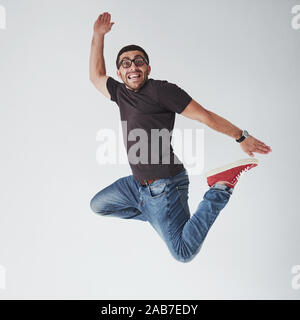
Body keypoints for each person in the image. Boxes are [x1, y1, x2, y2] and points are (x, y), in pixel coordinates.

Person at [89, 12, 272, 263]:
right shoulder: (120, 93)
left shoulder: (161, 91)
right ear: (120, 73)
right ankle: (153, 212)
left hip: (166, 186)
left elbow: (205, 116)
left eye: (139, 61)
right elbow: (96, 76)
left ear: (148, 68)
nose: (133, 66)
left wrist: (241, 137)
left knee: (183, 253)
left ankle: (221, 186)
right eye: (126, 63)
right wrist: (98, 35)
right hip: (136, 186)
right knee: (99, 205)